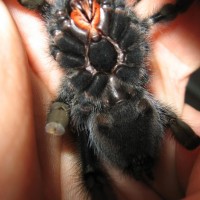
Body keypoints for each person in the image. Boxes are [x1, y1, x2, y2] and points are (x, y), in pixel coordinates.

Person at [0, 0, 200, 199]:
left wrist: (57, 119)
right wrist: (57, 122)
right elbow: (58, 119)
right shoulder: (131, 39)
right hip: (123, 112)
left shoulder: (78, 72)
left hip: (115, 118)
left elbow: (58, 115)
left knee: (89, 169)